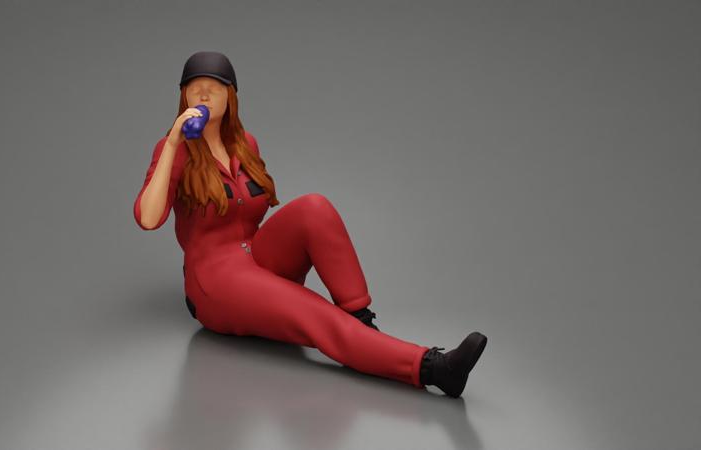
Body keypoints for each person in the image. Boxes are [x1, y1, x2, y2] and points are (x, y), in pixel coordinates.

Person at [134, 51, 488, 398]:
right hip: (216, 280)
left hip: (255, 255)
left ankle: (362, 325)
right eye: (195, 88)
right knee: (312, 311)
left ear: (231, 96)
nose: (205, 95)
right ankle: (434, 368)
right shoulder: (174, 150)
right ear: (183, 97)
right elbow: (148, 218)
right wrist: (173, 142)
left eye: (215, 86)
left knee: (314, 207)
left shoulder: (245, 145)